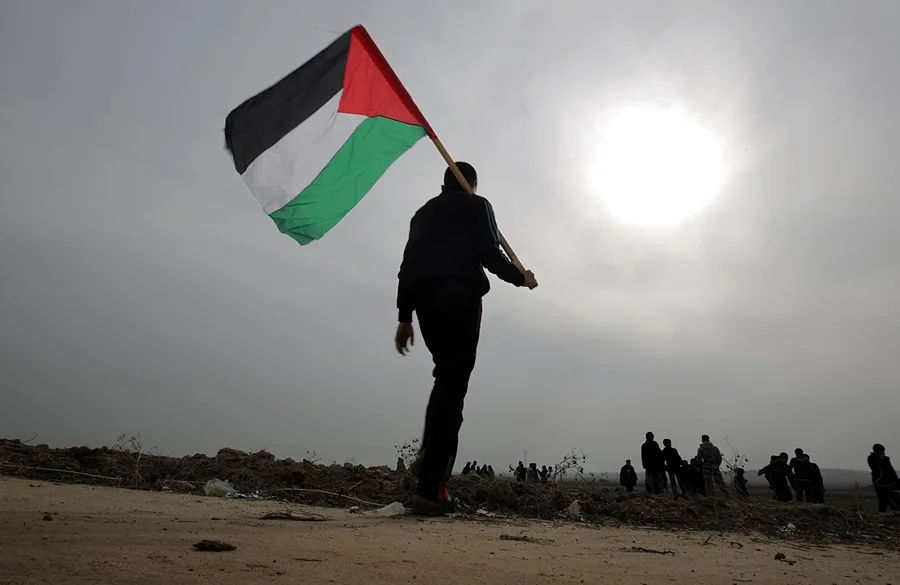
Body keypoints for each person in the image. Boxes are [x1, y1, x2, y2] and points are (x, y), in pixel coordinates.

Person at [395, 162, 538, 515]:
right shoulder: (478, 205)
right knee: (452, 386)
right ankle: (432, 489)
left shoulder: (422, 214)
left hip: (425, 305)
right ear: (470, 183)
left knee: (445, 379)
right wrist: (522, 278)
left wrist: (404, 316)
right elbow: (490, 254)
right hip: (459, 299)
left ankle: (430, 459)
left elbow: (408, 265)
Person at [868, 444, 900, 513]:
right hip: (883, 485)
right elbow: (878, 471)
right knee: (884, 502)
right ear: (879, 451)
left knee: (893, 502)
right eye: (882, 451)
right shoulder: (873, 459)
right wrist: (882, 459)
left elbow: (891, 471)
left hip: (890, 484)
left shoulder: (883, 459)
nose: (884, 453)